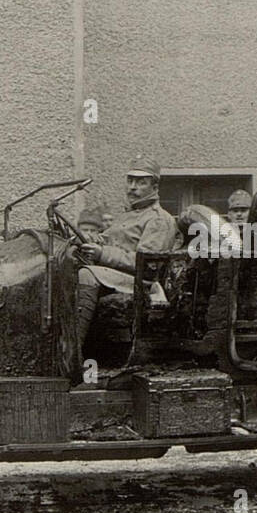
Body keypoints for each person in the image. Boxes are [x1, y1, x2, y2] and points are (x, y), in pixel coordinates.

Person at [72, 156, 177, 373]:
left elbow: (147, 264)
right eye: (130, 180)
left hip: (142, 284)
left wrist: (102, 253)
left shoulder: (158, 219)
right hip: (117, 276)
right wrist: (87, 240)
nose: (133, 187)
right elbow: (107, 239)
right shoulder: (129, 215)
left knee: (86, 275)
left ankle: (74, 353)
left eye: (140, 182)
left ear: (155, 186)